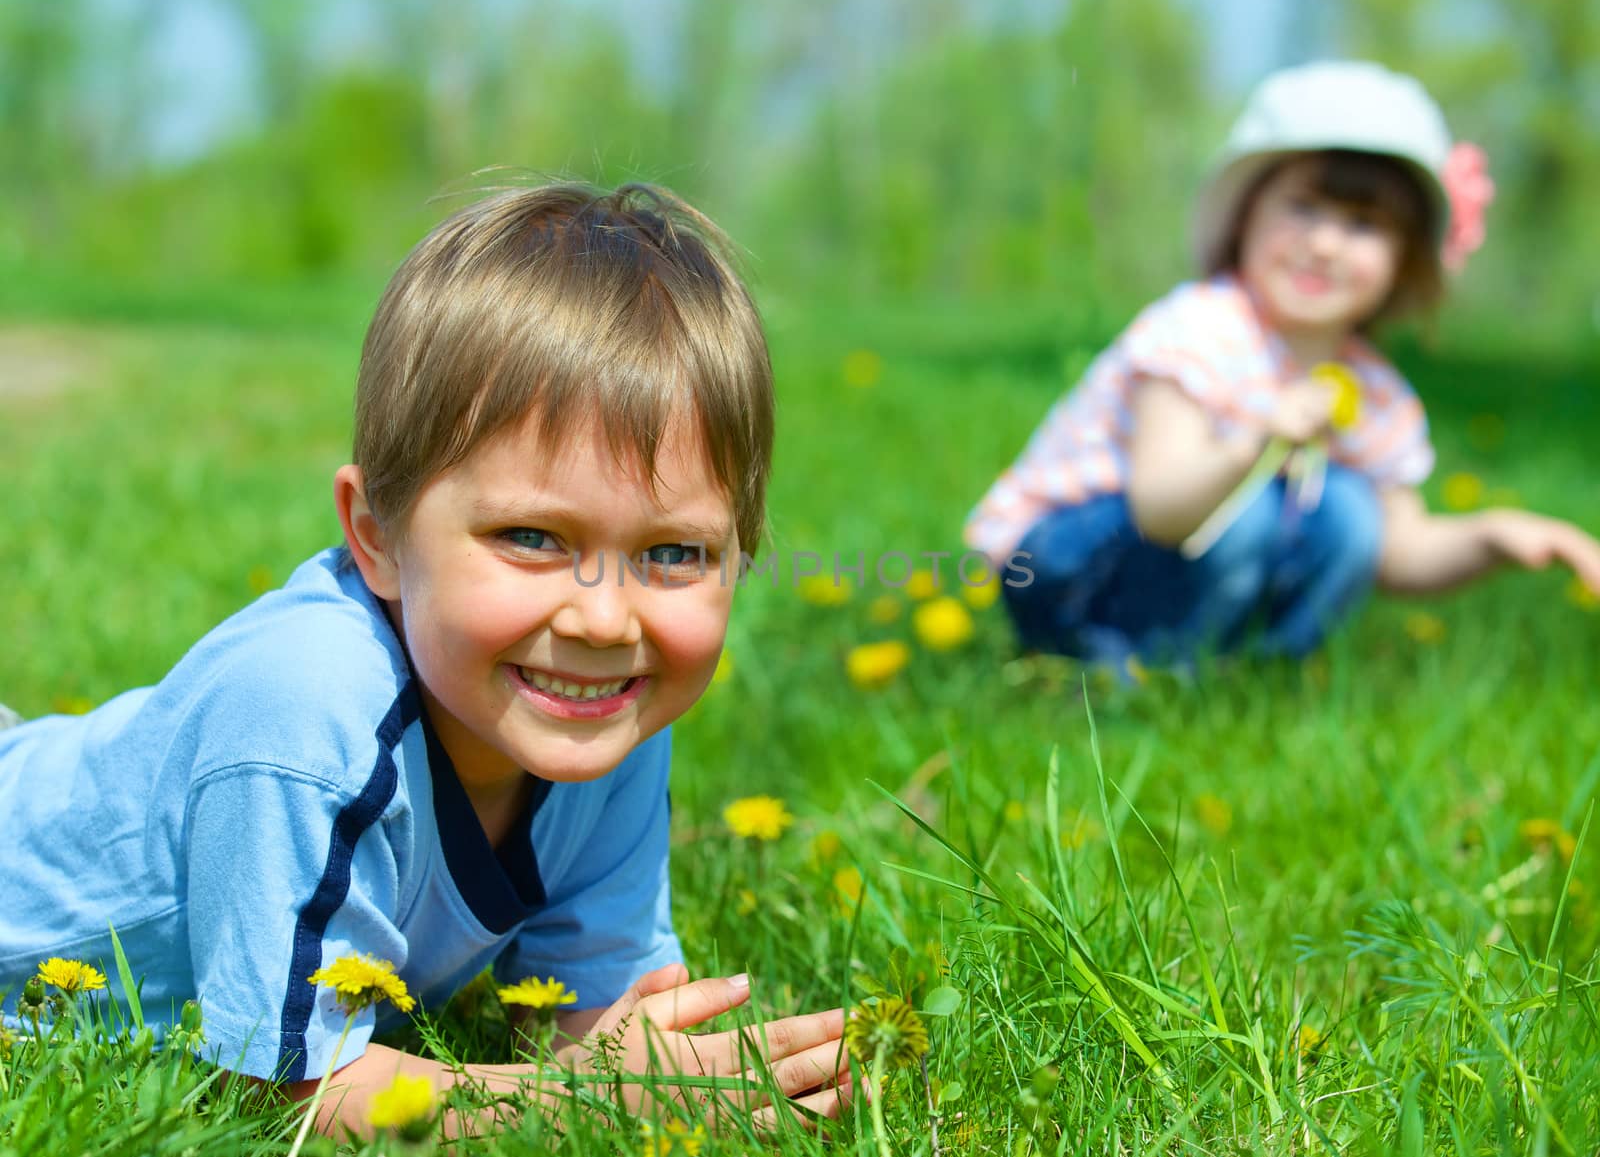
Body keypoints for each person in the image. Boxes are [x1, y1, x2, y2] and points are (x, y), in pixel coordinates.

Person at [0, 183, 849, 1136]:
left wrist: (688, 1084)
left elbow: (600, 1031)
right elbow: (280, 1092)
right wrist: (584, 1104)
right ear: (376, 535)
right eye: (531, 535)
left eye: (673, 553)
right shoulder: (307, 712)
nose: (608, 619)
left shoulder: (605, 716)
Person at [965, 60, 1600, 673]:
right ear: (1245, 218)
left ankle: (1246, 676)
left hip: (1199, 576)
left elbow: (1397, 551)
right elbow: (1160, 507)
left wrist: (1490, 537)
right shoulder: (1200, 329)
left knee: (1353, 513)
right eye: (1303, 208)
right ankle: (1116, 667)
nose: (1324, 244)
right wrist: (1255, 441)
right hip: (1069, 569)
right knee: (1253, 507)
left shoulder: (1372, 390)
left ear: (1405, 261)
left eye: (1363, 225)